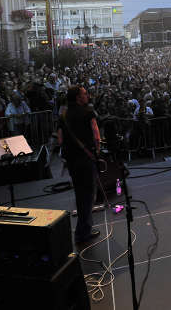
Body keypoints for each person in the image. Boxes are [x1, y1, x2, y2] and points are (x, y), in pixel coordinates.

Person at [59, 85, 102, 244]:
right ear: (78, 97)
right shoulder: (88, 112)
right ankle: (83, 233)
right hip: (86, 159)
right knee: (89, 196)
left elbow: (60, 138)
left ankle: (82, 230)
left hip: (72, 160)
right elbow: (96, 134)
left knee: (80, 195)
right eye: (84, 94)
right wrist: (96, 152)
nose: (87, 96)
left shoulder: (63, 115)